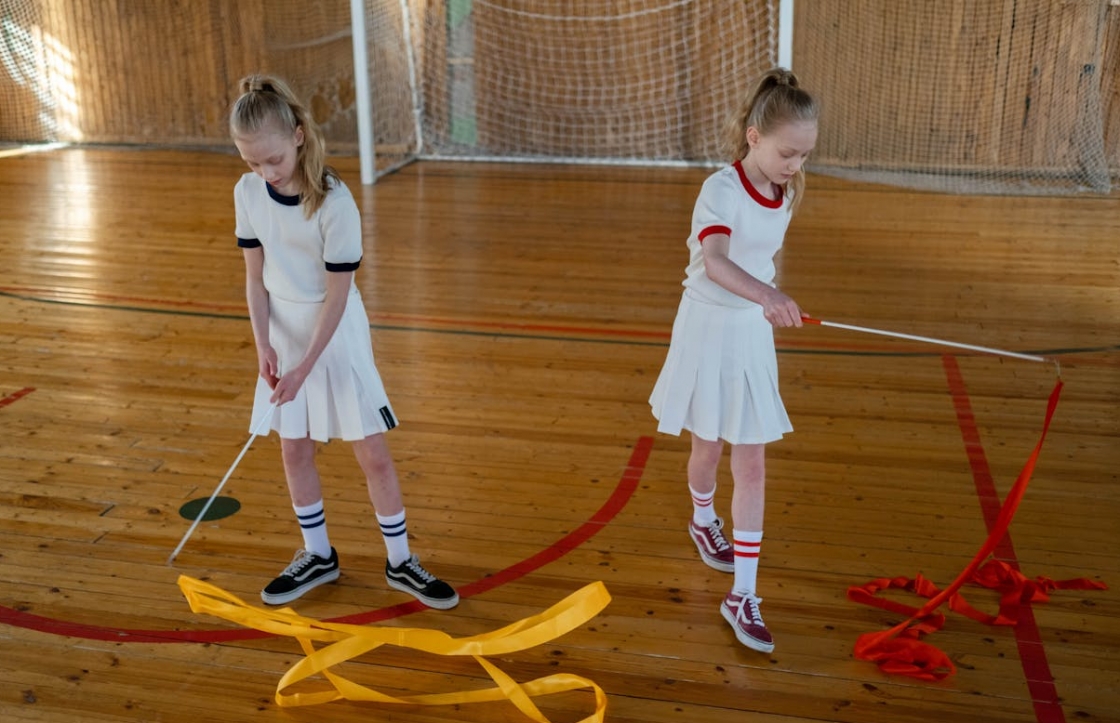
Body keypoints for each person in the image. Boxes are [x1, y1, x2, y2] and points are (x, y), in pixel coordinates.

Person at [229, 73, 458, 609]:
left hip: (334, 336)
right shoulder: (246, 193)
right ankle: (318, 554)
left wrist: (305, 365)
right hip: (283, 334)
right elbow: (254, 277)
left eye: (273, 160)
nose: (265, 173)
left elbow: (338, 296)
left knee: (372, 454)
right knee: (293, 450)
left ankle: (402, 562)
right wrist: (264, 344)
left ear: (300, 136)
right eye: (252, 163)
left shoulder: (335, 203)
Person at [648, 67, 818, 652]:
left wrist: (768, 302)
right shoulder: (719, 189)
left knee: (751, 464)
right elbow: (717, 261)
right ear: (753, 137)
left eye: (803, 156)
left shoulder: (787, 189)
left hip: (750, 332)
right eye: (787, 153)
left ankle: (742, 594)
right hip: (706, 327)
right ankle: (702, 517)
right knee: (707, 447)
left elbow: (760, 257)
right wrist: (770, 294)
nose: (795, 166)